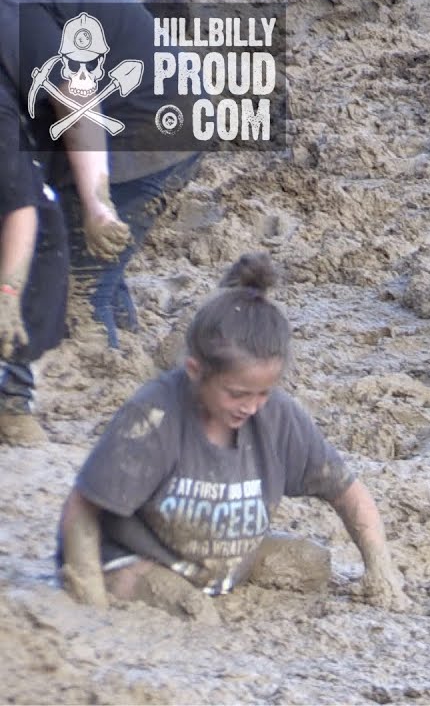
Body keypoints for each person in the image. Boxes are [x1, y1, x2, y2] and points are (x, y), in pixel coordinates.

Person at [56, 253, 410, 615]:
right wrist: (90, 605)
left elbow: (347, 491)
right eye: (237, 394)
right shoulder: (153, 416)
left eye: (263, 393)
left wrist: (381, 568)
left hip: (224, 555)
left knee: (311, 564)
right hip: (140, 558)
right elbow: (83, 509)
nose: (251, 407)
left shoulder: (278, 416)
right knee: (193, 609)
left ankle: (218, 580)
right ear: (195, 370)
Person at [4, 0, 201, 348]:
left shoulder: (9, 3)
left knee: (77, 290)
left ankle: (101, 376)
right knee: (98, 264)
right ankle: (125, 350)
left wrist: (98, 202)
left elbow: (74, 92)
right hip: (171, 110)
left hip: (143, 123)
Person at [0, 67, 70, 446]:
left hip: (30, 219)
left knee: (42, 250)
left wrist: (8, 296)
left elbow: (21, 211)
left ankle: (14, 399)